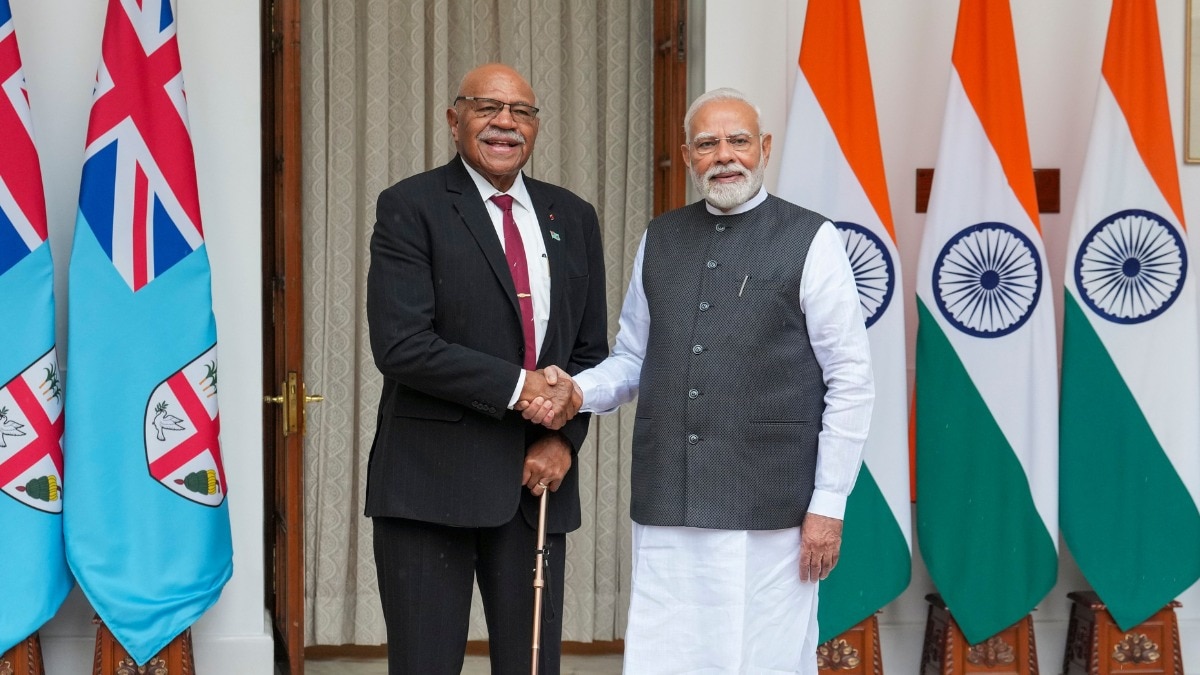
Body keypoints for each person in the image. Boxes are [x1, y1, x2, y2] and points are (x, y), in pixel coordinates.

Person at [524, 87, 874, 674]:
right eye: (708, 144)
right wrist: (578, 392)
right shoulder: (660, 237)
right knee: (669, 655)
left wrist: (829, 503)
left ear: (764, 148)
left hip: (773, 510)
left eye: (739, 141)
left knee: (761, 660)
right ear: (688, 156)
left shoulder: (812, 238)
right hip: (670, 500)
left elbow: (851, 380)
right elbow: (633, 357)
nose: (725, 156)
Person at [365, 63, 608, 675]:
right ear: (455, 120)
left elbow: (589, 354)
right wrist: (520, 387)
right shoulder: (410, 206)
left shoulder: (573, 216)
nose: (506, 123)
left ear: (536, 126)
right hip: (429, 488)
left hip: (535, 488)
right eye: (487, 108)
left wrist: (562, 439)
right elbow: (402, 345)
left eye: (521, 111)